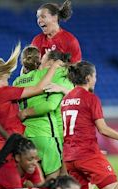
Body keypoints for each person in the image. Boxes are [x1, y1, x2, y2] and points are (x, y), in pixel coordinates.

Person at [61, 61, 118, 189]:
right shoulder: (90, 98)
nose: (96, 79)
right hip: (87, 155)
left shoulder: (66, 99)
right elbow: (102, 129)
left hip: (70, 158)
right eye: (95, 75)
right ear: (89, 77)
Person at [0, 42, 62, 151]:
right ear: (1, 74)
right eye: (7, 71)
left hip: (0, 144)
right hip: (15, 142)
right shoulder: (4, 92)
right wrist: (54, 67)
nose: (9, 75)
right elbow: (39, 88)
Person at [14, 48, 73, 178]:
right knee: (59, 181)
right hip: (52, 135)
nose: (41, 61)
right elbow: (50, 105)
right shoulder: (53, 76)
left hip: (29, 134)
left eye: (43, 58)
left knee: (36, 179)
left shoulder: (17, 81)